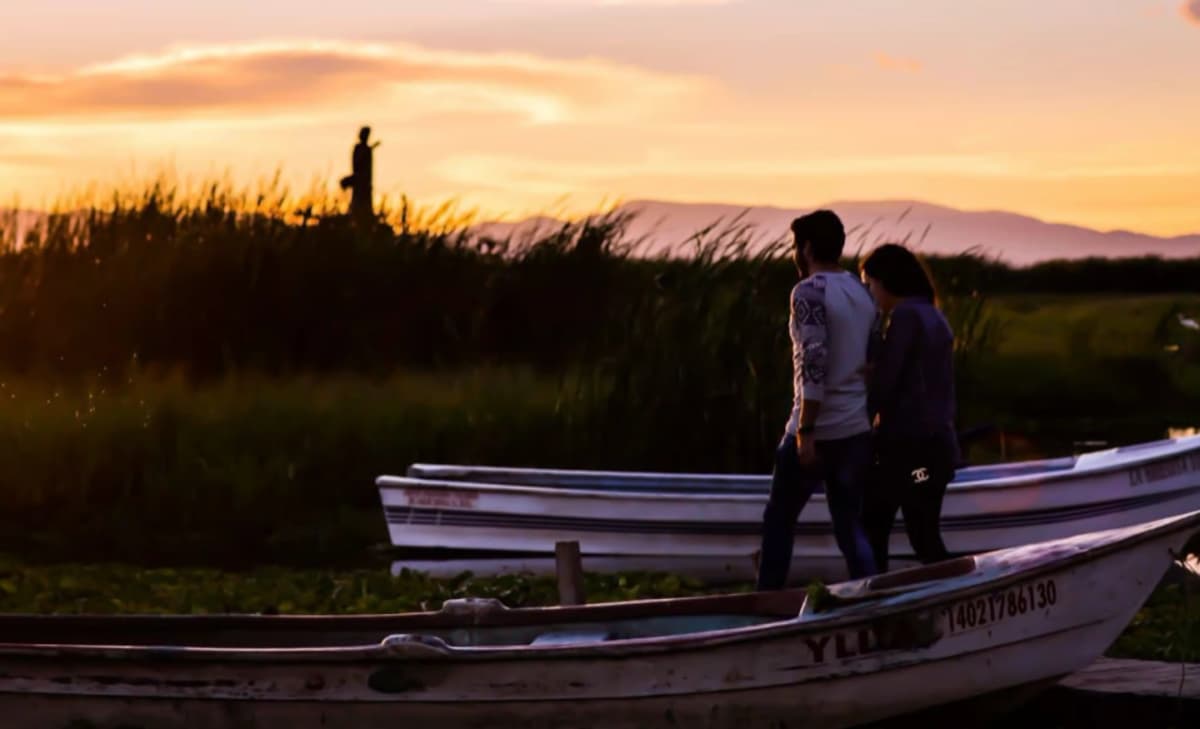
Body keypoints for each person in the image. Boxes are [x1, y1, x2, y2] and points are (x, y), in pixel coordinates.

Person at [756, 210, 879, 590]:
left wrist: (806, 431)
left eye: (795, 246)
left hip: (817, 428)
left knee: (779, 521)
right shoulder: (862, 293)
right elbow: (872, 364)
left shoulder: (808, 292)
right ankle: (874, 597)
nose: (795, 254)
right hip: (855, 428)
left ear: (806, 248)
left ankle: (767, 605)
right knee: (848, 524)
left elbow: (812, 363)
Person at [859, 243, 960, 572]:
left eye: (869, 284)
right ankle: (955, 589)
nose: (868, 293)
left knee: (875, 521)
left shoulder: (905, 316)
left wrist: (861, 420)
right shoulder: (933, 313)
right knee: (923, 533)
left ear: (885, 281)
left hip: (910, 456)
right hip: (938, 451)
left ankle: (873, 599)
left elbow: (888, 383)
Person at [339, 126, 379, 224]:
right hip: (360, 184)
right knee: (358, 209)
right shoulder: (359, 148)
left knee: (364, 210)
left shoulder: (365, 149)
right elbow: (357, 164)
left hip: (365, 184)